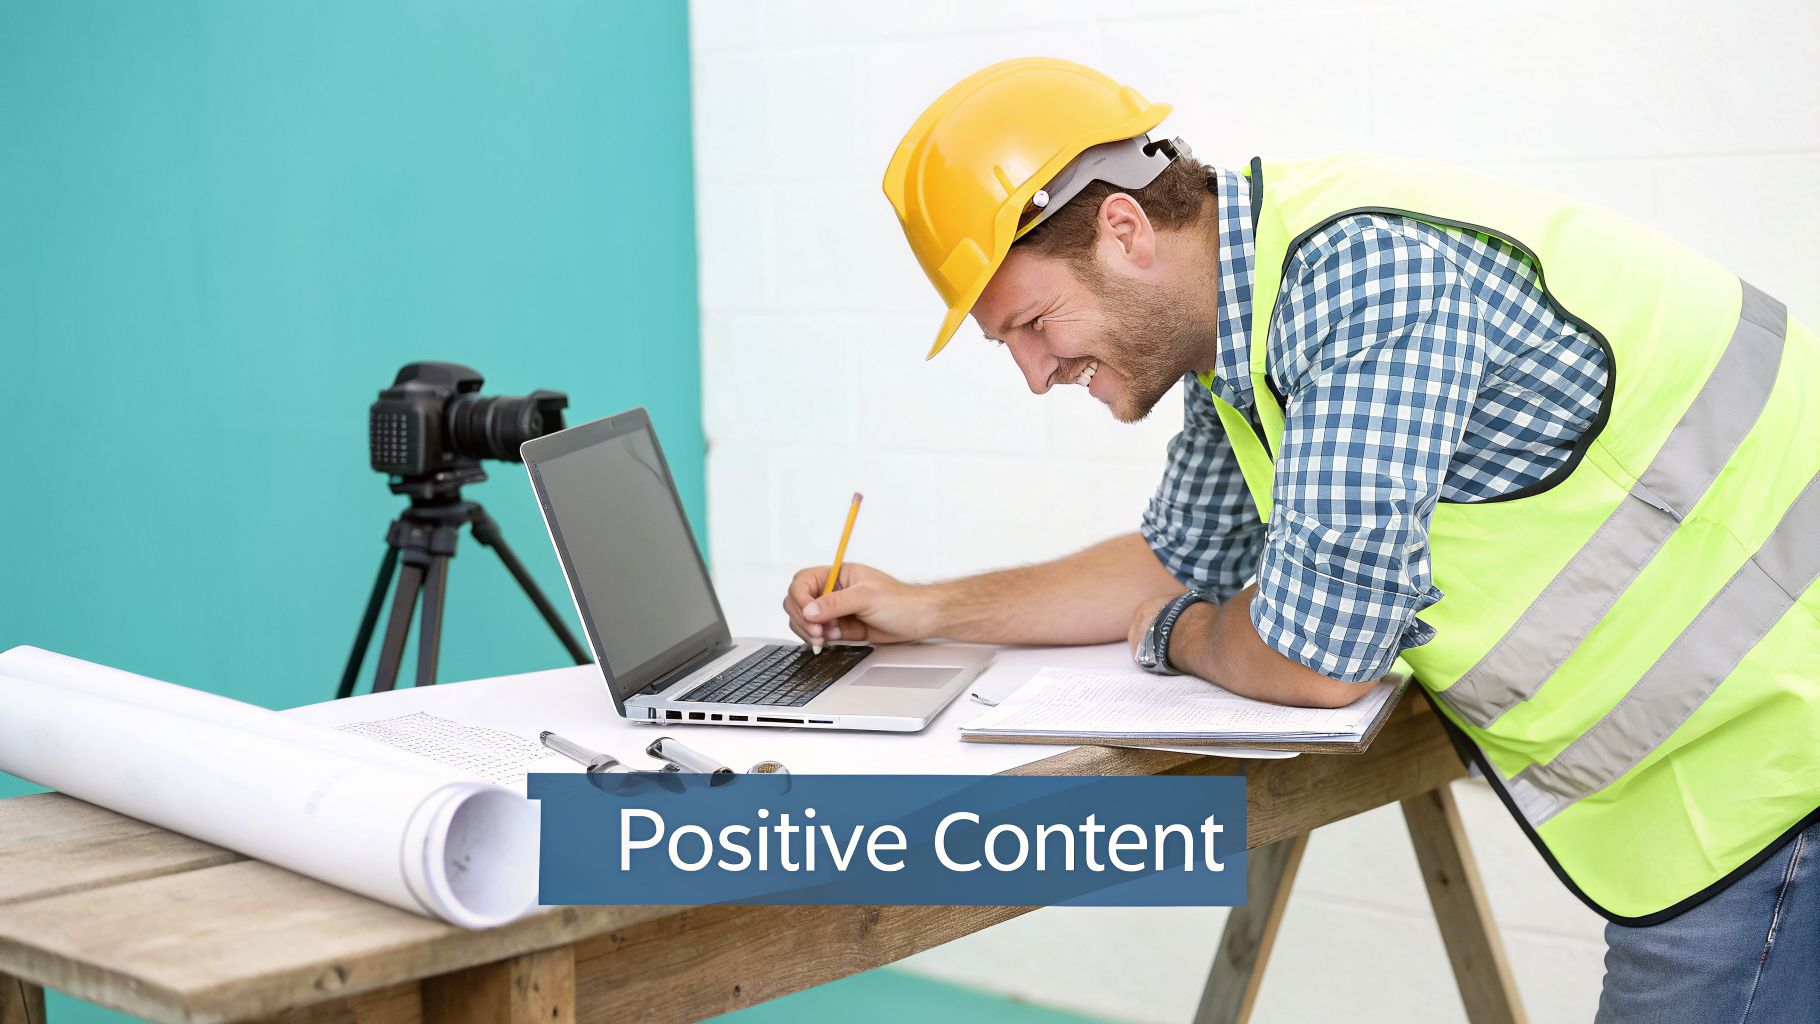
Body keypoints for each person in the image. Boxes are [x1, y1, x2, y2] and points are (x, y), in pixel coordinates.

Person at [778, 58, 1819, 1021]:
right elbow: (1176, 556)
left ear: (1125, 231)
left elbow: (1313, 658)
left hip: (1770, 752)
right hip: (1727, 762)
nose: (1033, 373)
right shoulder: (1239, 337)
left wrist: (1177, 635)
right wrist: (921, 605)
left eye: (1031, 324)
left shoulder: (1357, 281)